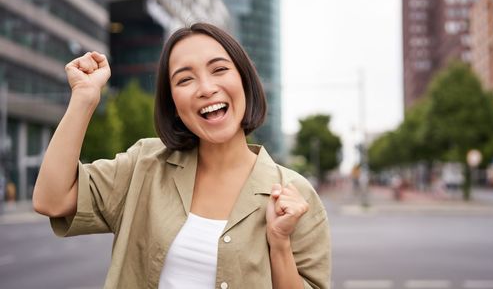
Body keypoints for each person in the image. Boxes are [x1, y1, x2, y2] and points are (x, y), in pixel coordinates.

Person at [33, 23, 331, 288]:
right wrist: (85, 98)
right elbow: (52, 200)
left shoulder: (296, 194)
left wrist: (279, 244)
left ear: (244, 80)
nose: (206, 88)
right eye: (185, 80)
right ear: (173, 103)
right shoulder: (144, 165)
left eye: (219, 69)